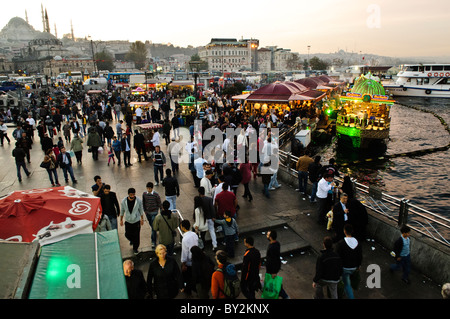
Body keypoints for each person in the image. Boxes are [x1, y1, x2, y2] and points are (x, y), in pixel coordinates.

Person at [335, 224, 363, 299]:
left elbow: (338, 257)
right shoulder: (357, 243)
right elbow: (360, 256)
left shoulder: (341, 243)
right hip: (354, 267)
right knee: (350, 280)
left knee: (347, 284)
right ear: (352, 231)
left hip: (345, 268)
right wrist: (359, 265)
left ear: (344, 231)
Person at [119, 188, 145, 255]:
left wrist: (142, 219)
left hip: (136, 221)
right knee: (127, 234)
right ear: (128, 194)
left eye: (133, 194)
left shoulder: (138, 200)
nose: (132, 196)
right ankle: (132, 240)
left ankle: (135, 248)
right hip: (128, 221)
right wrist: (121, 219)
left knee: (136, 235)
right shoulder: (124, 201)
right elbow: (122, 210)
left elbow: (141, 210)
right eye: (131, 194)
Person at [265, 230, 289, 299]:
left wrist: (274, 272)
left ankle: (285, 296)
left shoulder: (273, 247)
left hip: (272, 270)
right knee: (272, 283)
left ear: (271, 237)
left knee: (275, 284)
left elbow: (274, 260)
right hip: (272, 269)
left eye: (268, 235)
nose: (266, 236)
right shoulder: (276, 243)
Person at [180, 219, 199, 296]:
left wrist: (183, 264)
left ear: (183, 228)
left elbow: (185, 252)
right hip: (196, 259)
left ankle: (189, 290)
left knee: (188, 278)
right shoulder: (194, 235)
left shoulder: (185, 239)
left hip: (189, 262)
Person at [142, 182, 162, 249]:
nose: (148, 189)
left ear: (152, 188)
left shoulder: (156, 194)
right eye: (147, 188)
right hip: (148, 212)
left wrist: (161, 209)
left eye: (149, 188)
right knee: (151, 224)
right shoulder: (144, 194)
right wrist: (145, 210)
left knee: (153, 227)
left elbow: (159, 202)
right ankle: (155, 229)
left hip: (154, 212)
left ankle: (153, 241)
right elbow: (143, 202)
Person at [198, 186, 218, 251]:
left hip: (202, 219)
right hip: (210, 218)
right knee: (212, 231)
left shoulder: (198, 200)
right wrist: (213, 216)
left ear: (199, 192)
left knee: (202, 233)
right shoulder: (209, 199)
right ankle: (214, 245)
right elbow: (212, 208)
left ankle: (202, 246)